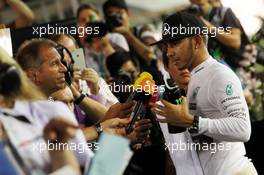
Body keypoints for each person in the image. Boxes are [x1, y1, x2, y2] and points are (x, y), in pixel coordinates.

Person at [151, 12, 257, 174]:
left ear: (197, 41)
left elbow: (243, 129)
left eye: (175, 43)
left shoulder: (219, 74)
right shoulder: (195, 79)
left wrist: (192, 122)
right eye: (167, 46)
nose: (169, 52)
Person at [0, 47, 87, 173]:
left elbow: (85, 166)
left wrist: (57, 142)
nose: (64, 69)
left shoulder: (49, 111)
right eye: (54, 63)